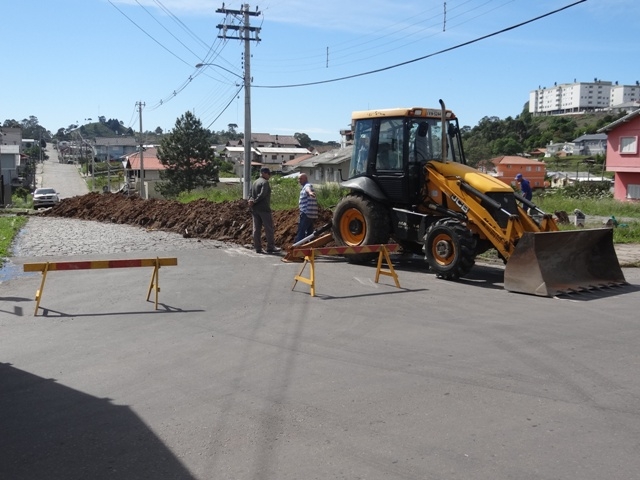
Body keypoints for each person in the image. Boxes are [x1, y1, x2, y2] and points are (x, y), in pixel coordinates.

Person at [248, 167, 280, 254]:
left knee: (256, 229)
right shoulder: (265, 182)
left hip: (255, 209)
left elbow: (250, 194)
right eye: (269, 174)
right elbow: (263, 194)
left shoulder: (255, 182)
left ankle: (258, 248)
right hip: (264, 209)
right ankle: (271, 247)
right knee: (268, 228)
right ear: (265, 173)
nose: (269, 175)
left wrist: (251, 201)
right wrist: (255, 201)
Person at [294, 173, 318, 243]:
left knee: (301, 230)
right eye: (298, 179)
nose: (299, 180)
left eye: (301, 178)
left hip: (306, 212)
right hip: (311, 213)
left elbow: (308, 189)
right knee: (309, 232)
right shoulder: (306, 186)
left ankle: (298, 246)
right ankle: (309, 245)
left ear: (305, 179)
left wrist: (310, 192)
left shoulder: (307, 186)